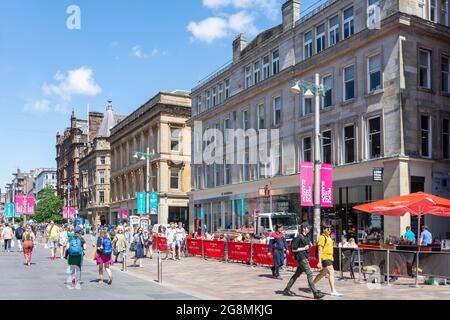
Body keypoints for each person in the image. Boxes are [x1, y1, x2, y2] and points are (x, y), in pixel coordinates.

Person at [283, 223, 325, 299]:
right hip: (301, 258)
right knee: (309, 273)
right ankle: (315, 292)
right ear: (304, 228)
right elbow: (293, 249)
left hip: (304, 257)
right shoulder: (299, 237)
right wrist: (304, 248)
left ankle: (287, 289)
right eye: (308, 228)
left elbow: (308, 245)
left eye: (309, 228)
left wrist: (310, 245)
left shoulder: (306, 237)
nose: (309, 229)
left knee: (296, 274)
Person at [314, 223, 342, 297]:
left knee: (322, 273)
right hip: (325, 258)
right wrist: (319, 261)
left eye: (330, 229)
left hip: (330, 258)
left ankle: (312, 285)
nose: (329, 230)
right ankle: (333, 290)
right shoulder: (322, 237)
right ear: (323, 230)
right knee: (331, 272)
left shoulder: (329, 237)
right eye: (327, 228)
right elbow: (320, 250)